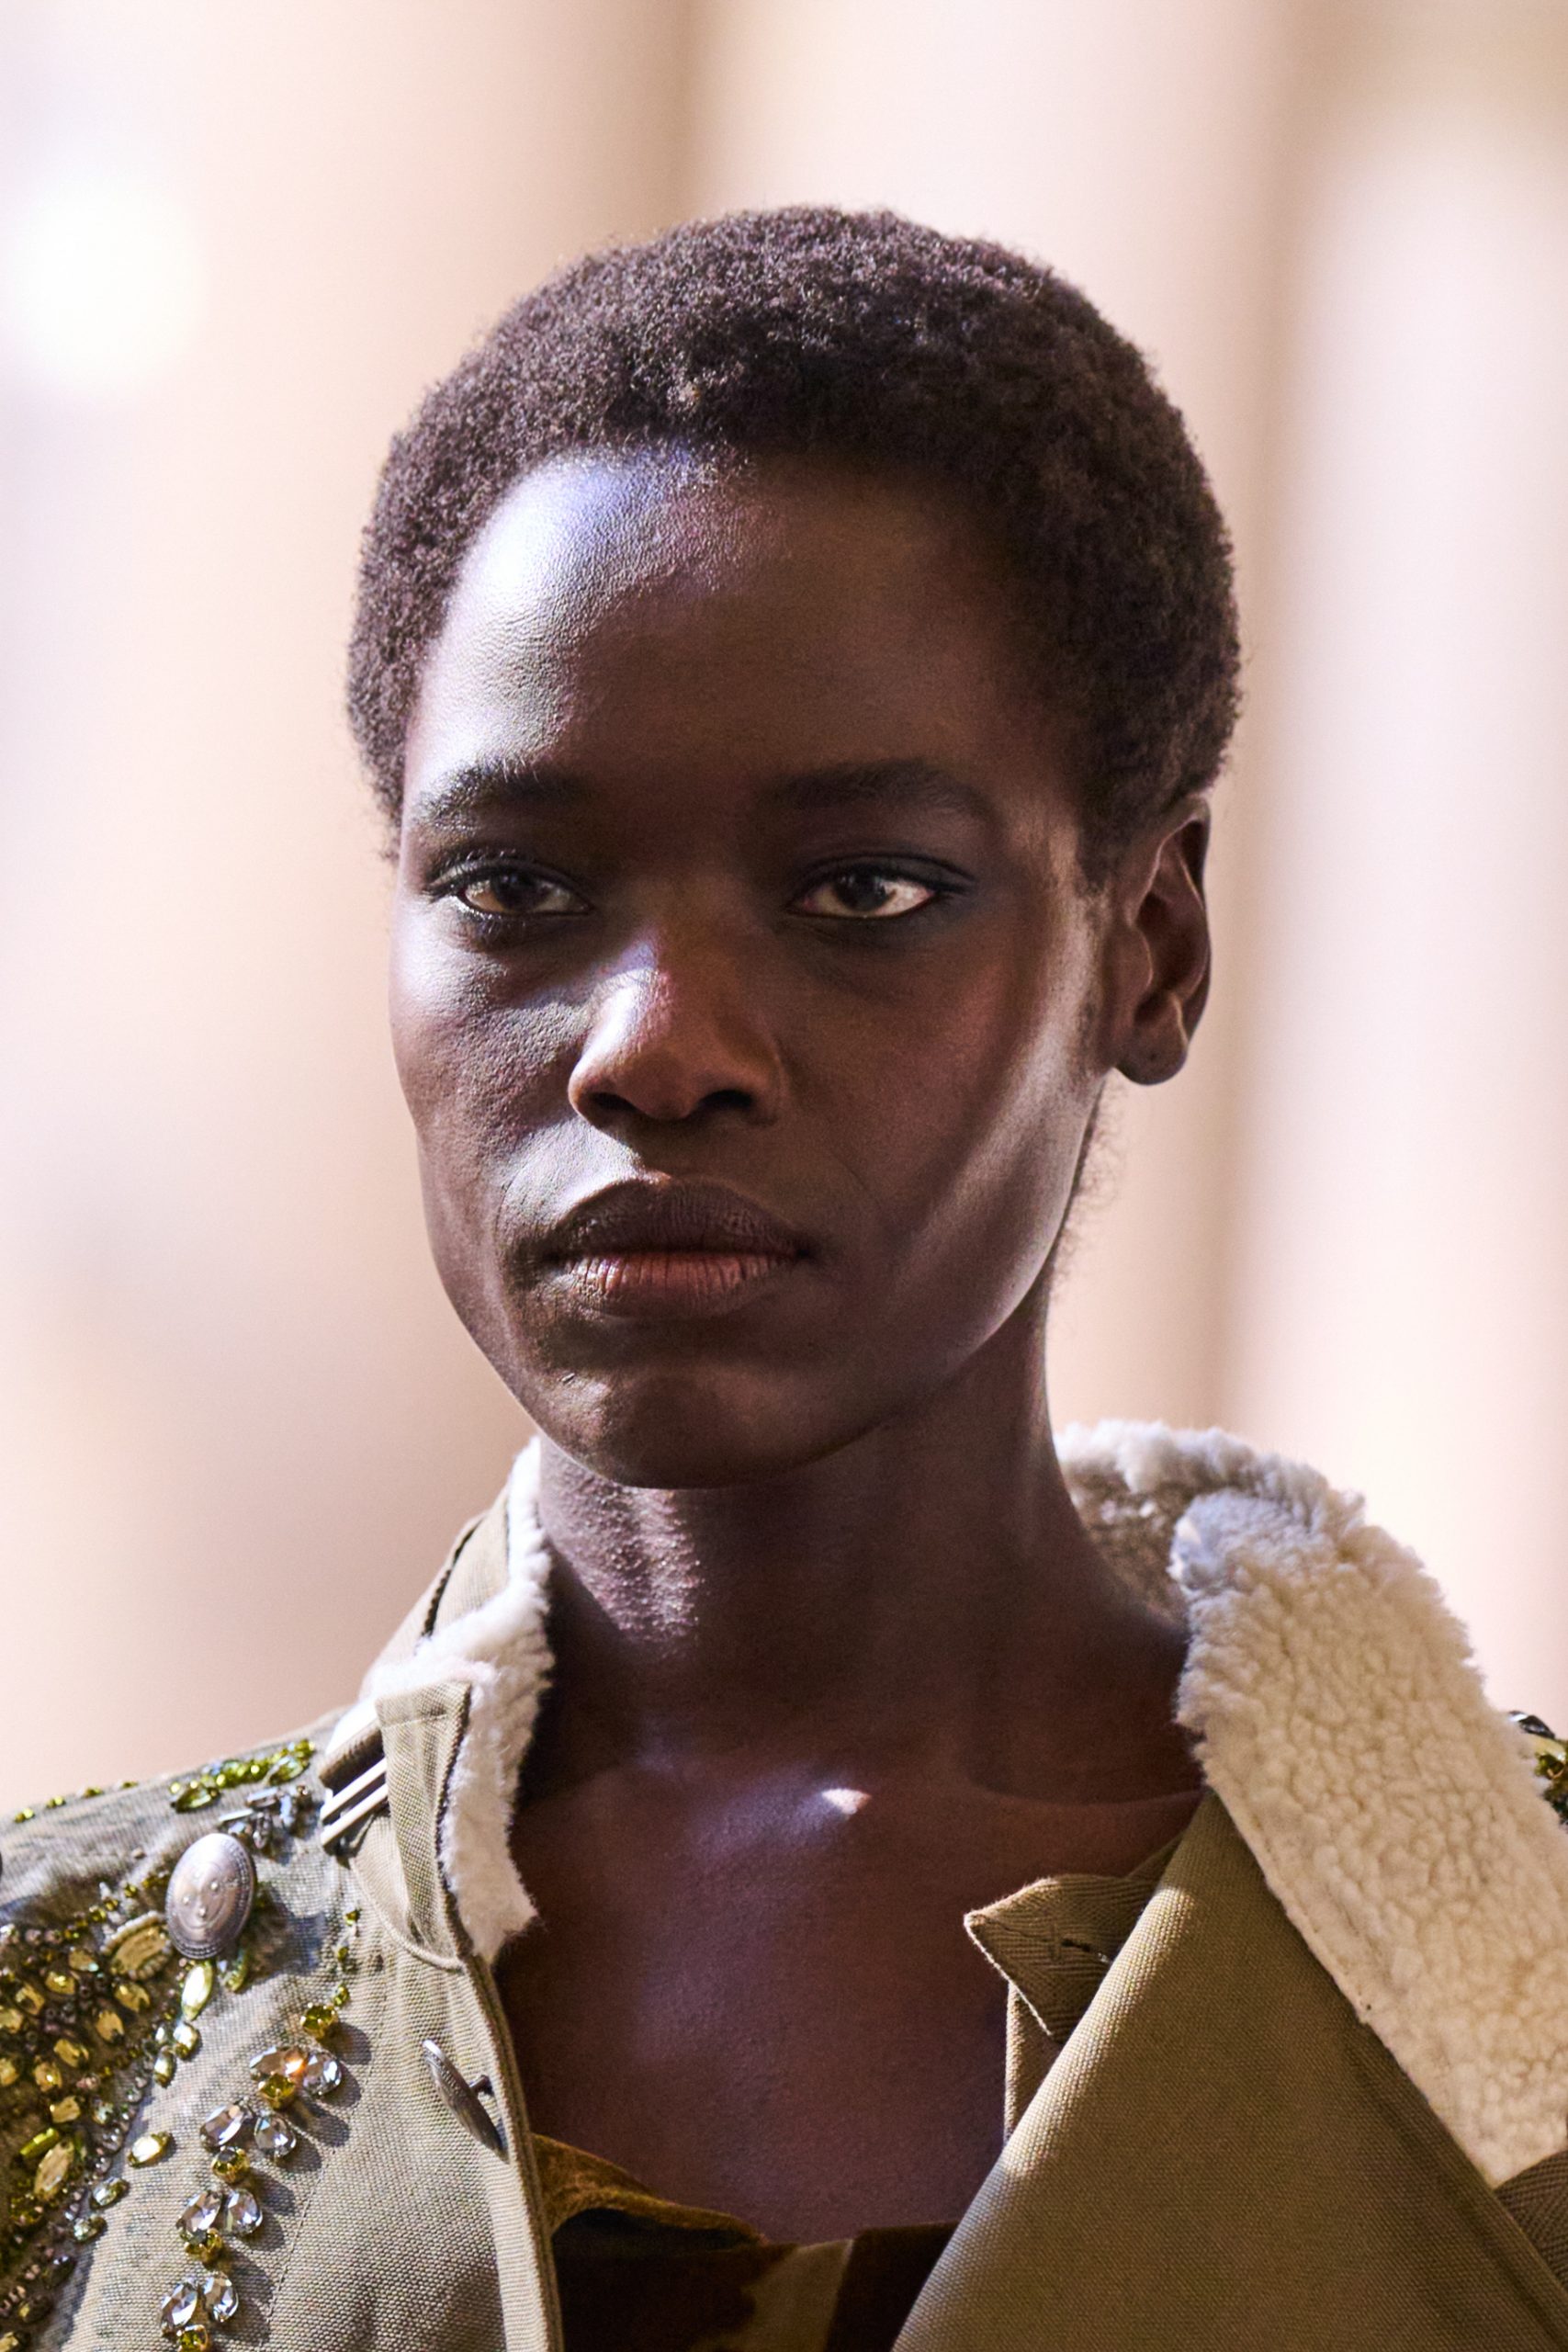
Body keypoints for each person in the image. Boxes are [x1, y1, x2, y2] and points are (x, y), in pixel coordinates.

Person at [4, 205, 1567, 2352]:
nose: (654, 1045)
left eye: (862, 889)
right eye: (514, 884)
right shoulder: (63, 2037)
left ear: (1146, 946)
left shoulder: (1522, 2002)